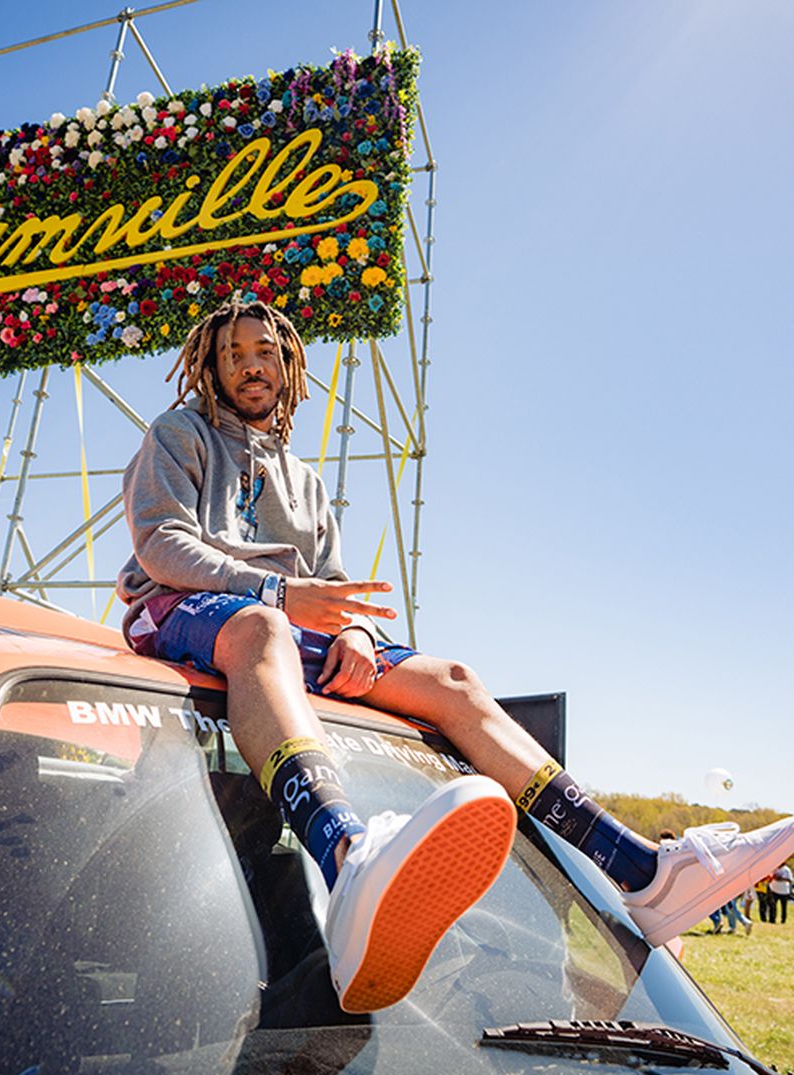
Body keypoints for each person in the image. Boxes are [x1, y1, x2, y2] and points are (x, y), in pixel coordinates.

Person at [116, 299, 794, 1013]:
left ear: (287, 366)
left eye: (265, 352)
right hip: (183, 609)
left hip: (285, 617)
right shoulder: (178, 433)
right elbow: (160, 543)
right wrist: (278, 591)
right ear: (211, 368)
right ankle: (348, 859)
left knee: (454, 680)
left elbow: (336, 589)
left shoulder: (305, 480)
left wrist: (354, 636)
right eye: (234, 354)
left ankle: (642, 870)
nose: (251, 364)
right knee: (264, 630)